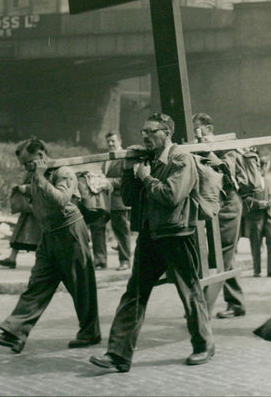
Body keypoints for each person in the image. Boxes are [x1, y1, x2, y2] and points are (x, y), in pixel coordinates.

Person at [89, 113, 214, 372]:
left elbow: (171, 195)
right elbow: (130, 200)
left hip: (177, 234)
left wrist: (146, 177)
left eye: (151, 131)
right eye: (142, 131)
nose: (144, 136)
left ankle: (204, 346)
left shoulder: (181, 158)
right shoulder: (148, 160)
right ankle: (118, 355)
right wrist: (128, 169)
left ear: (166, 132)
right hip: (150, 234)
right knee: (134, 293)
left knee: (189, 292)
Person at [0, 137, 100, 352]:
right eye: (24, 165)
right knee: (37, 284)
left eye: (29, 163)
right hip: (49, 236)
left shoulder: (63, 172)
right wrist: (27, 188)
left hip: (70, 232)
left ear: (40, 156)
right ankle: (15, 333)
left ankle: (90, 332)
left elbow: (61, 199)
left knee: (80, 284)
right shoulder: (37, 176)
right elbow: (40, 195)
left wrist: (38, 178)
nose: (27, 168)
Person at [192, 113, 246, 319]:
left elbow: (228, 171)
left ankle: (203, 310)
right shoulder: (197, 146)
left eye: (198, 128)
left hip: (229, 205)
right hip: (214, 206)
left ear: (208, 127)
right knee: (223, 254)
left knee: (222, 255)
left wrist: (208, 150)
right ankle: (237, 302)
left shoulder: (226, 145)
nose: (196, 132)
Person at [242, 154, 271, 278]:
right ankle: (257, 271)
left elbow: (268, 194)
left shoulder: (266, 179)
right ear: (262, 166)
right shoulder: (249, 179)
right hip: (254, 217)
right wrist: (260, 204)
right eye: (267, 166)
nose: (267, 169)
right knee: (256, 244)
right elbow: (245, 199)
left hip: (267, 215)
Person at [100, 131, 133, 271]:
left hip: (120, 199)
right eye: (108, 142)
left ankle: (125, 261)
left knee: (121, 230)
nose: (111, 144)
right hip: (105, 201)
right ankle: (99, 261)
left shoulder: (124, 157)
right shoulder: (106, 158)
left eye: (113, 141)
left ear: (120, 141)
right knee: (97, 227)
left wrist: (109, 182)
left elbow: (127, 180)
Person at [0, 176, 43, 269]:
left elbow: (43, 188)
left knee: (38, 238)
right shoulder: (32, 172)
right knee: (19, 234)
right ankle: (12, 258)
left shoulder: (44, 172)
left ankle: (40, 263)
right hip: (29, 209)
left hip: (38, 210)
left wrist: (26, 188)